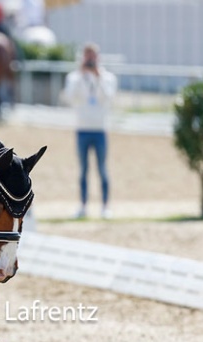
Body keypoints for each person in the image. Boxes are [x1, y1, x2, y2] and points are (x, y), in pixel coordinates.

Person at [62, 43, 117, 219]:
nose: (91, 60)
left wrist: (97, 77)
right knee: (83, 169)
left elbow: (107, 98)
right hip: (82, 129)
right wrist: (82, 75)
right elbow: (70, 97)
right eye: (88, 57)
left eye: (93, 57)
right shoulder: (74, 77)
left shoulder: (107, 77)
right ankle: (83, 205)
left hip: (100, 129)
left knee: (102, 169)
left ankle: (105, 206)